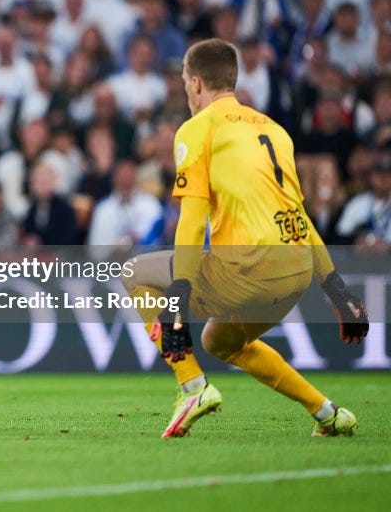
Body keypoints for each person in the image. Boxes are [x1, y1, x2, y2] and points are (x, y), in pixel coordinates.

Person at [121, 38, 368, 439]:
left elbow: (192, 218)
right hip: (298, 273)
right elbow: (300, 216)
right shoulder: (275, 130)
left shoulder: (197, 129)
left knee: (134, 271)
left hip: (249, 269)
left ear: (197, 83)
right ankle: (327, 412)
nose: (186, 91)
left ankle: (192, 387)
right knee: (220, 340)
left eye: (186, 82)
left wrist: (179, 293)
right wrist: (338, 291)